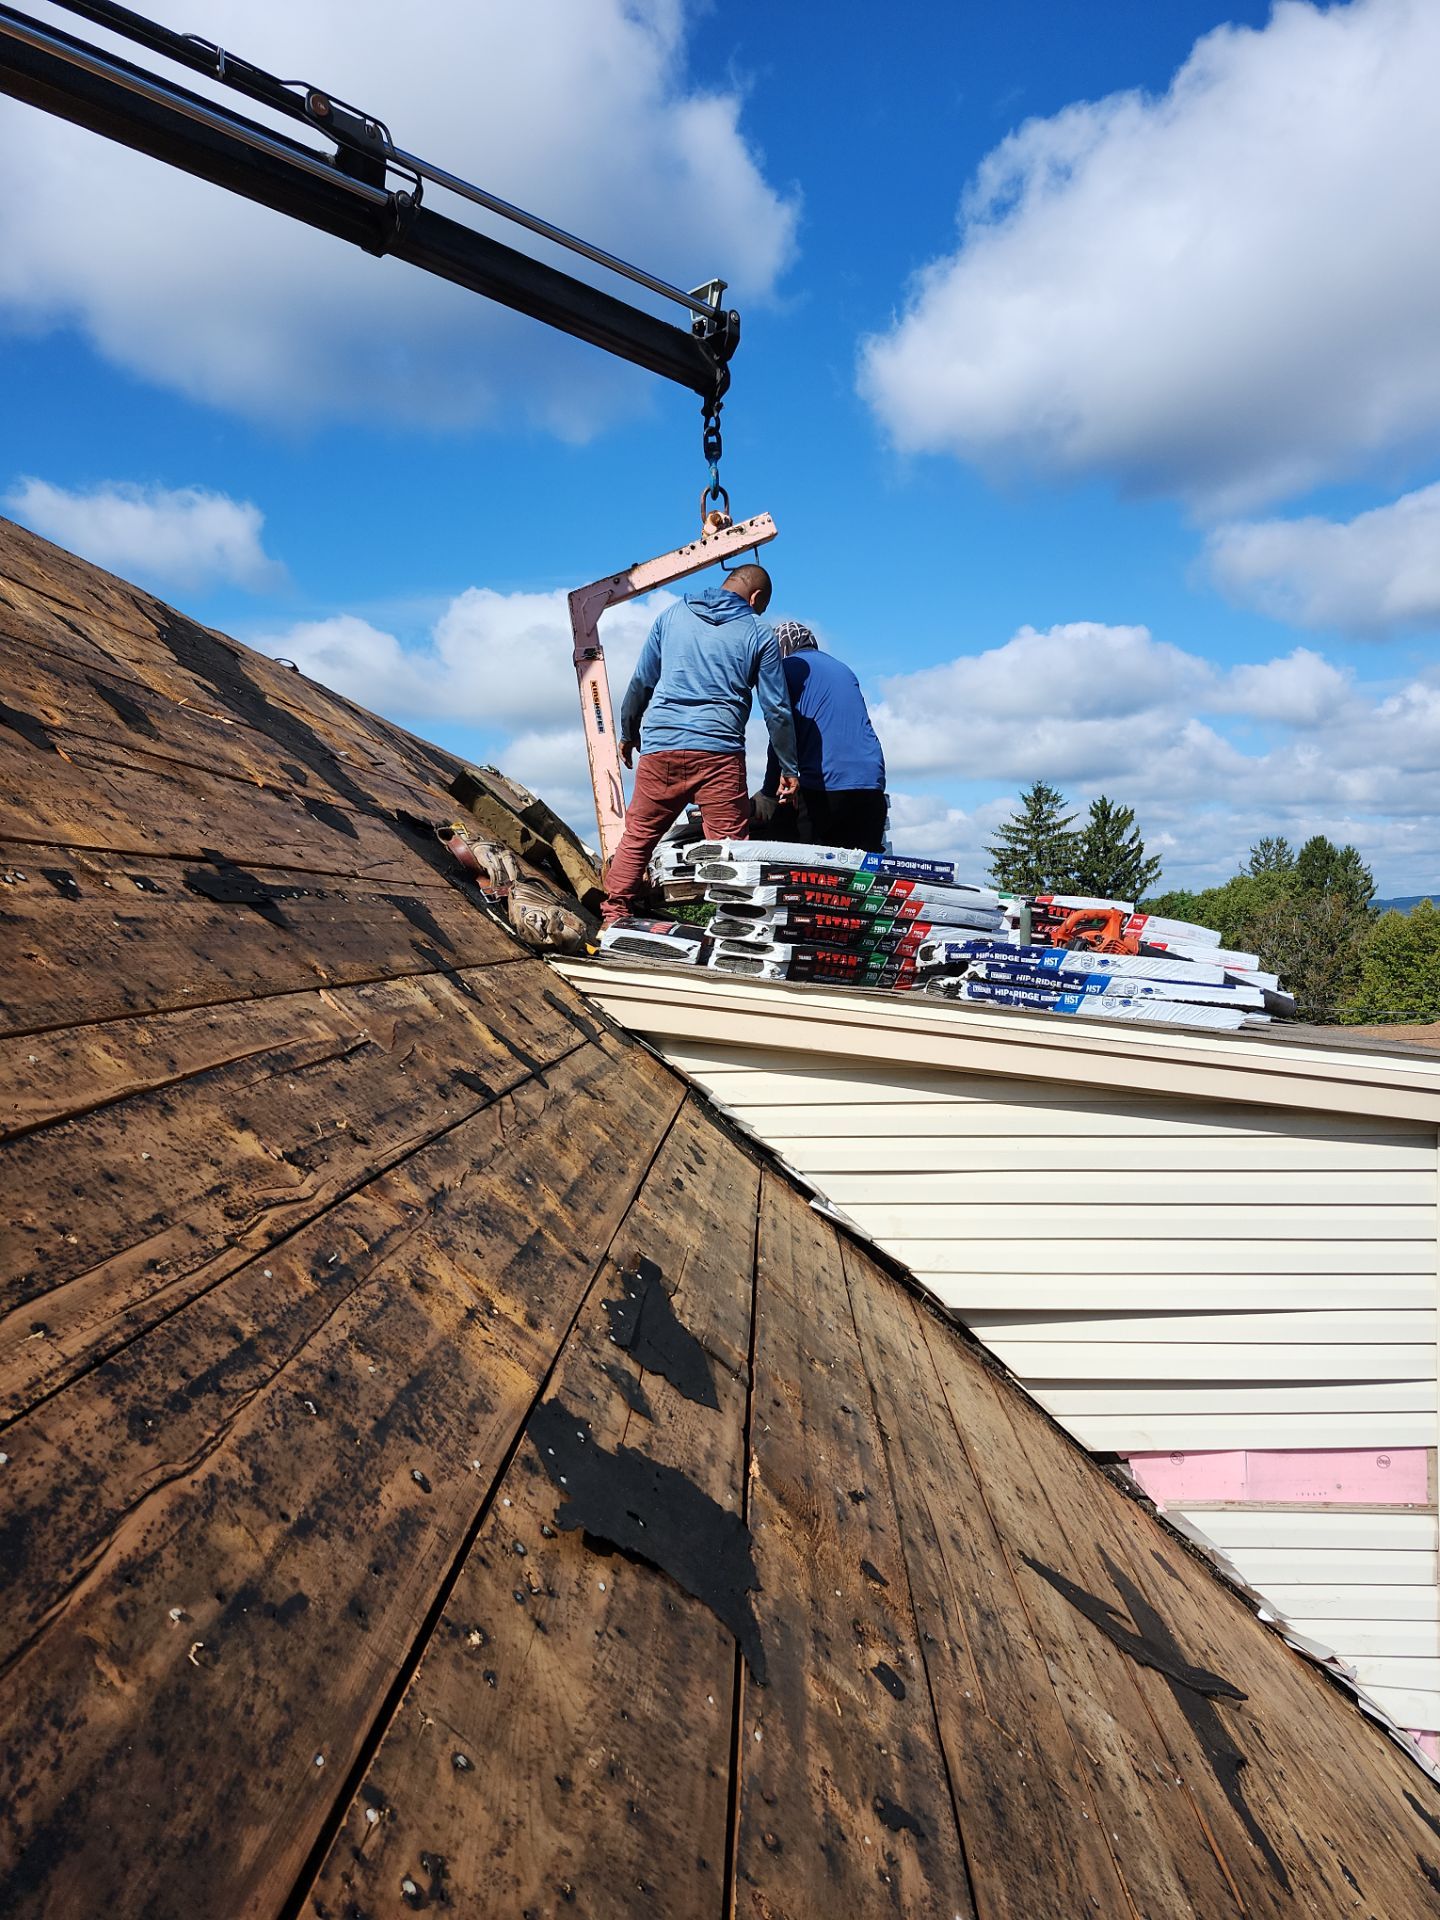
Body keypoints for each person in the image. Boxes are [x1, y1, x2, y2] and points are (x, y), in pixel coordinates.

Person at [602, 563, 799, 923]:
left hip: (662, 746)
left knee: (639, 837)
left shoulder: (672, 615)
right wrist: (789, 767)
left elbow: (641, 681)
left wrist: (629, 732)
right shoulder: (759, 632)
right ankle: (736, 928)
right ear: (756, 598)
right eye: (762, 606)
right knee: (729, 851)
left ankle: (613, 917)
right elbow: (777, 709)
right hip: (719, 753)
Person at [761, 620, 887, 852]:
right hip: (872, 785)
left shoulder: (785, 668)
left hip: (826, 787)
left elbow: (780, 730)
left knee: (775, 848)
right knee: (858, 875)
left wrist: (768, 794)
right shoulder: (843, 669)